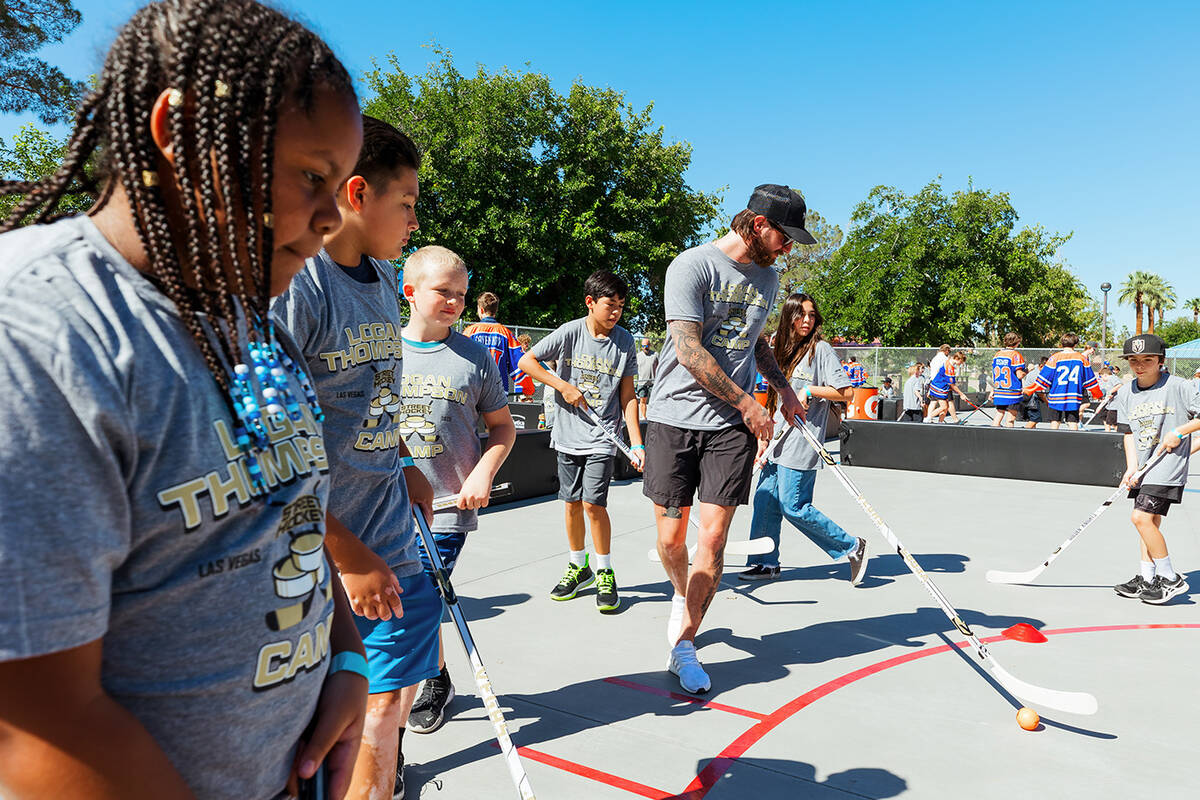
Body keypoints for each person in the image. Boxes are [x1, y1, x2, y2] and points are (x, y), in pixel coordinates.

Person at [0, 2, 368, 798]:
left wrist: (346, 658)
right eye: (312, 176)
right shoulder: (39, 332)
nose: (333, 216)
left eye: (340, 185)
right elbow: (31, 728)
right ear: (181, 132)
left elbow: (288, 510)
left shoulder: (242, 312)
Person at [271, 114, 440, 800]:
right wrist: (342, 552)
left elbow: (370, 393)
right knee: (347, 728)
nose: (412, 222)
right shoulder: (298, 286)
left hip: (392, 538)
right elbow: (266, 448)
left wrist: (401, 458)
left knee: (389, 710)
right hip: (323, 557)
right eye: (407, 204)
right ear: (360, 193)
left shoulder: (378, 277)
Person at [644, 183, 809, 694]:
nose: (789, 248)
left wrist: (783, 390)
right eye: (785, 236)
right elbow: (689, 350)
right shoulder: (691, 266)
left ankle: (685, 643)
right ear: (759, 225)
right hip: (674, 418)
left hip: (728, 431)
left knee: (712, 538)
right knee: (673, 540)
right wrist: (748, 403)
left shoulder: (770, 279)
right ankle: (681, 594)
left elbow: (755, 342)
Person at [399, 246, 516, 735]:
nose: (454, 302)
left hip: (445, 511)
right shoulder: (380, 349)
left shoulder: (475, 357)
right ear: (409, 292)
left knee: (416, 601)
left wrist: (482, 473)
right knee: (403, 605)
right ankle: (437, 674)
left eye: (461, 295)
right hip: (382, 507)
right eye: (442, 291)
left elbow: (503, 429)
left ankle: (396, 729)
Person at [520, 270, 643, 612]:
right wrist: (562, 385)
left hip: (603, 437)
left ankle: (605, 570)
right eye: (610, 304)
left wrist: (636, 443)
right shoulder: (569, 332)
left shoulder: (625, 341)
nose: (616, 311)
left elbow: (629, 396)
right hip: (567, 434)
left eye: (621, 305)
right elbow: (527, 361)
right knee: (571, 503)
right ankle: (579, 566)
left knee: (593, 504)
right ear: (590, 302)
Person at [737, 294, 868, 584]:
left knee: (793, 506)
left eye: (811, 315)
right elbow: (774, 395)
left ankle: (850, 546)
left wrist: (810, 391)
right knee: (764, 500)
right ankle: (764, 563)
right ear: (789, 318)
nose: (806, 320)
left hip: (802, 440)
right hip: (778, 439)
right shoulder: (781, 350)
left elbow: (845, 393)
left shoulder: (820, 350)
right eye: (800, 315)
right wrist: (765, 433)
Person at [1111, 334, 1198, 604]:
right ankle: (1148, 578)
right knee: (1150, 522)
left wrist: (1180, 431)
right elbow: (1127, 433)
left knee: (1140, 518)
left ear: (1160, 360)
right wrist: (1132, 467)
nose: (1140, 365)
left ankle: (1169, 578)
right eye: (1134, 360)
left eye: (1147, 359)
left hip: (1168, 466)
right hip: (1144, 467)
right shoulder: (1126, 392)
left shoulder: (1180, 386)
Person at [1026, 333, 1102, 430]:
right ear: (1075, 344)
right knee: (1072, 422)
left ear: (1062, 344)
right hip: (1074, 396)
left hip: (1056, 395)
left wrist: (1029, 390)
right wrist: (1098, 394)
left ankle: (1053, 443)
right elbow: (1091, 381)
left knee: (1055, 421)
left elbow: (1043, 379)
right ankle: (1072, 443)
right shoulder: (1081, 358)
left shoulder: (1055, 357)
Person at [463, 291, 521, 396]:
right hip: (498, 390)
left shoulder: (469, 332)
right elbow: (519, 362)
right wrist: (525, 388)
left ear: (480, 310)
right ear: (496, 310)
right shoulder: (506, 333)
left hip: (474, 389)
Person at [990, 333, 1028, 428]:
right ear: (1016, 342)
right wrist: (1028, 370)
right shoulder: (1015, 355)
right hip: (1012, 391)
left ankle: (993, 438)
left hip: (1000, 390)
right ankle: (1008, 440)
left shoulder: (997, 354)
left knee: (998, 416)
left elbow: (994, 374)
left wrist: (992, 390)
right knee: (1010, 420)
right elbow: (1019, 375)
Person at [927, 351, 969, 423]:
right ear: (957, 358)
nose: (961, 364)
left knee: (941, 405)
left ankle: (939, 422)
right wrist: (961, 394)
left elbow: (939, 373)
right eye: (961, 362)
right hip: (939, 388)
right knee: (944, 407)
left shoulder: (948, 362)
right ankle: (928, 418)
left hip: (938, 386)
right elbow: (952, 384)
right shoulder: (949, 367)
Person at [636, 337, 659, 419]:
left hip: (653, 382)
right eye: (643, 346)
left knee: (654, 401)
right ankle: (644, 417)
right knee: (642, 401)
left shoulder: (655, 355)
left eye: (647, 346)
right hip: (642, 383)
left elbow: (660, 367)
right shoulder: (638, 356)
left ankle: (653, 417)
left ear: (650, 345)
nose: (645, 348)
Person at [511, 333, 536, 400]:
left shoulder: (526, 354)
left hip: (527, 379)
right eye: (525, 343)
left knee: (529, 399)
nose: (527, 345)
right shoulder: (518, 354)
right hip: (521, 379)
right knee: (523, 399)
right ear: (520, 343)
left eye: (528, 343)